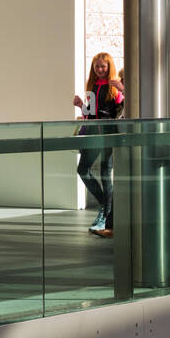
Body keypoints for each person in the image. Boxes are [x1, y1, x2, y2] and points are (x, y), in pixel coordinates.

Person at [71, 52, 124, 238]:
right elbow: (90, 113)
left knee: (105, 174)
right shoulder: (92, 85)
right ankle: (104, 205)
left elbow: (127, 107)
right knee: (83, 169)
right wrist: (80, 106)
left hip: (108, 134)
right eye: (96, 67)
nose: (100, 69)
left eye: (103, 66)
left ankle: (106, 215)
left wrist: (122, 89)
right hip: (94, 133)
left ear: (109, 67)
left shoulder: (114, 87)